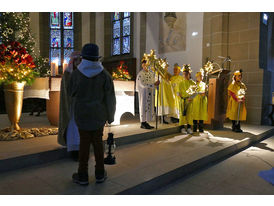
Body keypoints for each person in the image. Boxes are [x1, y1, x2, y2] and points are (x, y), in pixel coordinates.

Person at [68, 43, 116, 185]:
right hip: (98, 115)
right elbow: (110, 98)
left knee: (84, 144)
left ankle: (82, 174)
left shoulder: (76, 74)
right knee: (98, 143)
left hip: (82, 114)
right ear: (96, 58)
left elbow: (71, 92)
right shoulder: (105, 74)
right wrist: (111, 116)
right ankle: (100, 173)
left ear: (84, 57)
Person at [57, 51, 81, 161]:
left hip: (81, 107)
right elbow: (66, 91)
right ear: (72, 61)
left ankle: (81, 150)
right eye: (76, 60)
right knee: (73, 128)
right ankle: (73, 150)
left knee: (80, 129)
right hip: (71, 107)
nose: (78, 62)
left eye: (80, 60)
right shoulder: (68, 74)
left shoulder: (83, 72)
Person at [136, 59, 159, 129]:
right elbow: (142, 84)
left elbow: (154, 81)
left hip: (150, 93)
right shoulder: (140, 74)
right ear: (142, 65)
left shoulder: (151, 73)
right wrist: (153, 84)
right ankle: (143, 122)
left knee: (149, 107)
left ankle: (146, 122)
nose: (146, 66)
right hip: (144, 93)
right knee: (144, 107)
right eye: (145, 64)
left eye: (147, 65)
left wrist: (157, 82)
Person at [178, 64, 196, 134]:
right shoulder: (181, 83)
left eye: (186, 74)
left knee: (189, 114)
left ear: (189, 74)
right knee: (182, 114)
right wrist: (181, 96)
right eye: (184, 74)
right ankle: (182, 128)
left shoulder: (192, 83)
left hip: (189, 101)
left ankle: (189, 127)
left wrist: (191, 97)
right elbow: (178, 92)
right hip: (183, 100)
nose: (185, 75)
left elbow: (195, 92)